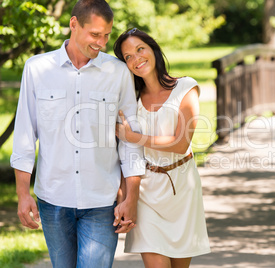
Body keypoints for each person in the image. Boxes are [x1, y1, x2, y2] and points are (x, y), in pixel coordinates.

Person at [10, 1, 145, 267]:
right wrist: (23, 193)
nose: (102, 43)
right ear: (74, 24)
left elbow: (131, 141)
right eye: (95, 34)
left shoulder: (118, 72)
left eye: (106, 35)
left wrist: (131, 197)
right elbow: (25, 136)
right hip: (53, 199)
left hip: (101, 201)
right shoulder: (37, 68)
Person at [113, 28, 211, 267]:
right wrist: (123, 198)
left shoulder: (186, 88)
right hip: (146, 192)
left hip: (182, 190)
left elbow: (180, 143)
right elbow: (122, 153)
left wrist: (134, 136)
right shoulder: (129, 100)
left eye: (140, 50)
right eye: (128, 57)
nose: (136, 59)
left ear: (153, 49)